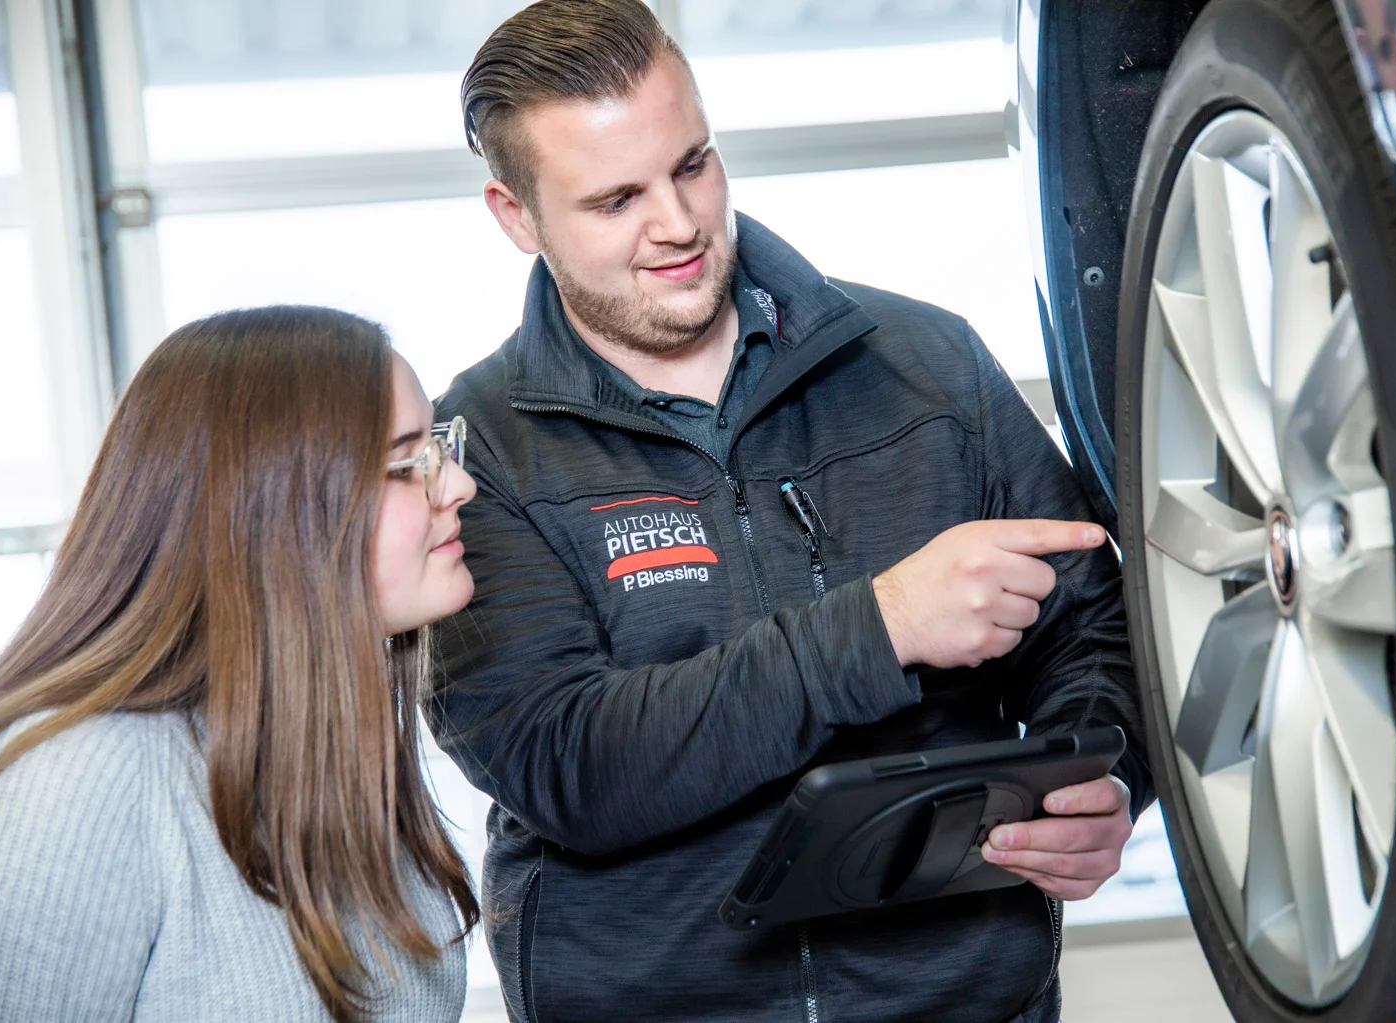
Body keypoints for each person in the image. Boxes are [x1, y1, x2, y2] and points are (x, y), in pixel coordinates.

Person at [427, 2, 1153, 1021]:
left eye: (692, 164)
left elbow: (1093, 625)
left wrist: (1099, 777)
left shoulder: (927, 366)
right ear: (516, 216)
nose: (677, 224)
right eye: (616, 199)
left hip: (966, 1000)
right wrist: (878, 627)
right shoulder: (475, 459)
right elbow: (566, 763)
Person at [0, 306, 481, 1023]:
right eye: (409, 464)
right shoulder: (85, 777)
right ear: (271, 514)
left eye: (439, 445)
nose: (459, 484)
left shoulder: (335, 749)